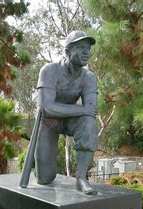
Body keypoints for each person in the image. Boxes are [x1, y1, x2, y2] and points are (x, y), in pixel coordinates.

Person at [35, 30, 98, 195]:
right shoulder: (49, 71)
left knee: (89, 123)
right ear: (67, 51)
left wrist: (82, 111)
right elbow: (46, 107)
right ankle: (41, 168)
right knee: (44, 179)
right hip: (48, 121)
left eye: (88, 48)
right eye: (81, 47)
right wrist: (82, 109)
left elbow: (91, 110)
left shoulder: (89, 77)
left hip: (70, 119)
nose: (86, 52)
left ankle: (81, 178)